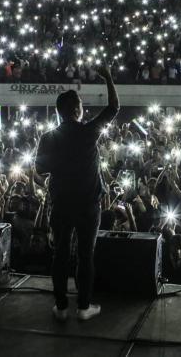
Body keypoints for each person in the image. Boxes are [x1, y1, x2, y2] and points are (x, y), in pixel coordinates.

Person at [36, 66, 119, 322]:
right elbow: (114, 107)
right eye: (81, 104)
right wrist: (108, 77)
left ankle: (61, 307)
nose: (83, 107)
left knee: (60, 254)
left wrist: (61, 163)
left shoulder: (48, 137)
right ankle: (83, 307)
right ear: (75, 109)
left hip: (61, 203)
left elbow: (40, 169)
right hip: (87, 205)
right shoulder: (88, 132)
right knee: (85, 255)